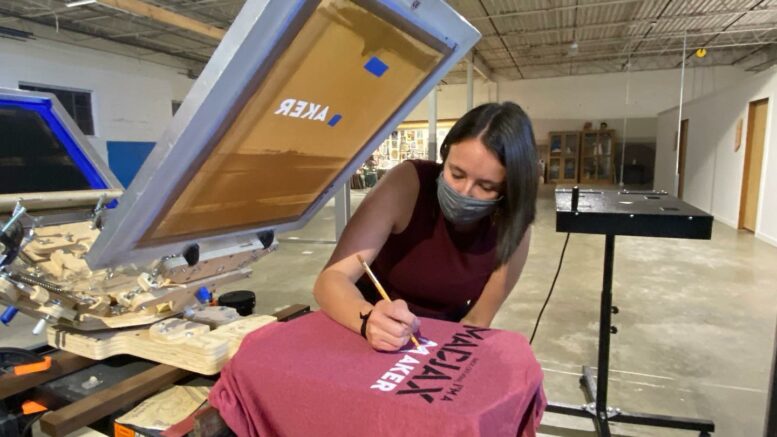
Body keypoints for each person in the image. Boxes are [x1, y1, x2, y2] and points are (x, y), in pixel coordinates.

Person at [313, 102, 538, 352]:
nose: (463, 192)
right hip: (364, 326)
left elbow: (476, 321)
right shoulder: (408, 184)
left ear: (509, 189)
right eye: (457, 173)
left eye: (486, 187)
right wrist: (367, 319)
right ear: (445, 155)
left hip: (439, 340)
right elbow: (330, 280)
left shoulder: (514, 227)